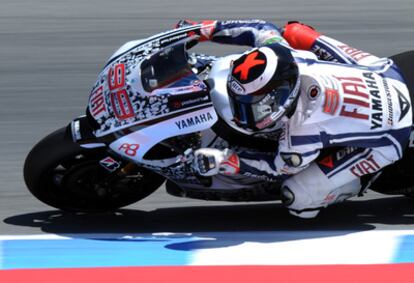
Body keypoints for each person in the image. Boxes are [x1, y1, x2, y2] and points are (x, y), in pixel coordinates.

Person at [176, 19, 413, 218]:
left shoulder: (300, 133)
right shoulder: (287, 55)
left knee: (298, 198)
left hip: (390, 134)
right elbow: (259, 28)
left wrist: (228, 162)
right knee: (294, 31)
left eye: (256, 108)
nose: (246, 115)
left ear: (283, 98)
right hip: (384, 73)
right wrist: (200, 29)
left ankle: (358, 180)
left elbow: (277, 168)